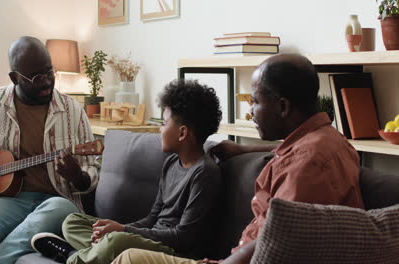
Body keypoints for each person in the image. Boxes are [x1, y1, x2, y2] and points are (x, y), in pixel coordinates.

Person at [109, 53, 365, 264]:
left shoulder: (308, 163)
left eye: (254, 101)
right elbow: (287, 150)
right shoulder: (325, 140)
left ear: (283, 107)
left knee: (129, 259)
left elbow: (277, 241)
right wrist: (244, 150)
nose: (250, 111)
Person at [0, 36, 99, 264]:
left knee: (59, 210)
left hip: (56, 199)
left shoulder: (72, 111)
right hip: (7, 200)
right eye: (36, 77)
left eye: (49, 72)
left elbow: (91, 170)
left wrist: (79, 177)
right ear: (14, 77)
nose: (45, 82)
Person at [30, 79, 223, 264]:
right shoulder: (172, 163)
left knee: (116, 242)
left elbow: (182, 237)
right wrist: (116, 229)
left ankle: (71, 256)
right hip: (148, 240)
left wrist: (122, 231)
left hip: (173, 251)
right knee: (73, 222)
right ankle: (99, 254)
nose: (159, 129)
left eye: (164, 123)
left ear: (182, 133)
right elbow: (152, 219)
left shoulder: (204, 173)